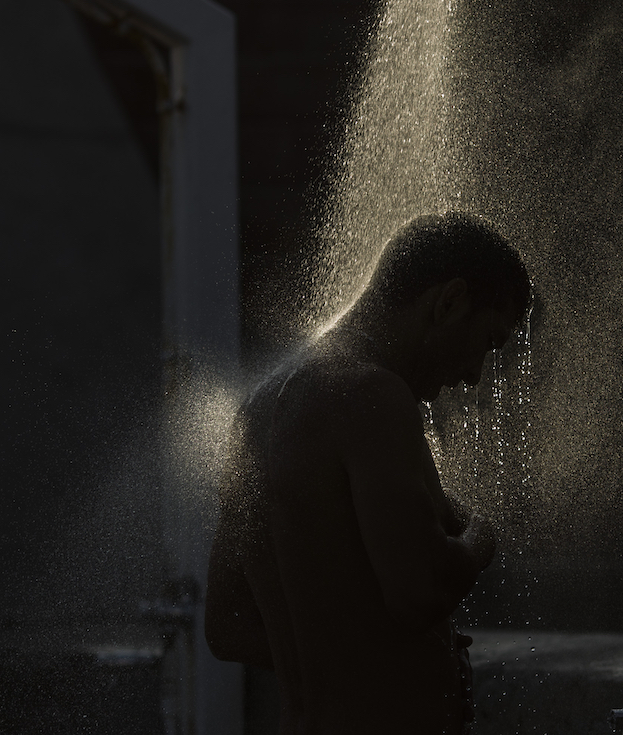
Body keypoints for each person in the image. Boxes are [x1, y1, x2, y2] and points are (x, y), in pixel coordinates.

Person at [205, 212, 531, 735]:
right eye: (489, 341)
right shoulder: (369, 394)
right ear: (449, 301)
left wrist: (364, 657)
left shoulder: (260, 406)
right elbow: (418, 594)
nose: (474, 375)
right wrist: (481, 537)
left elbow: (228, 627)